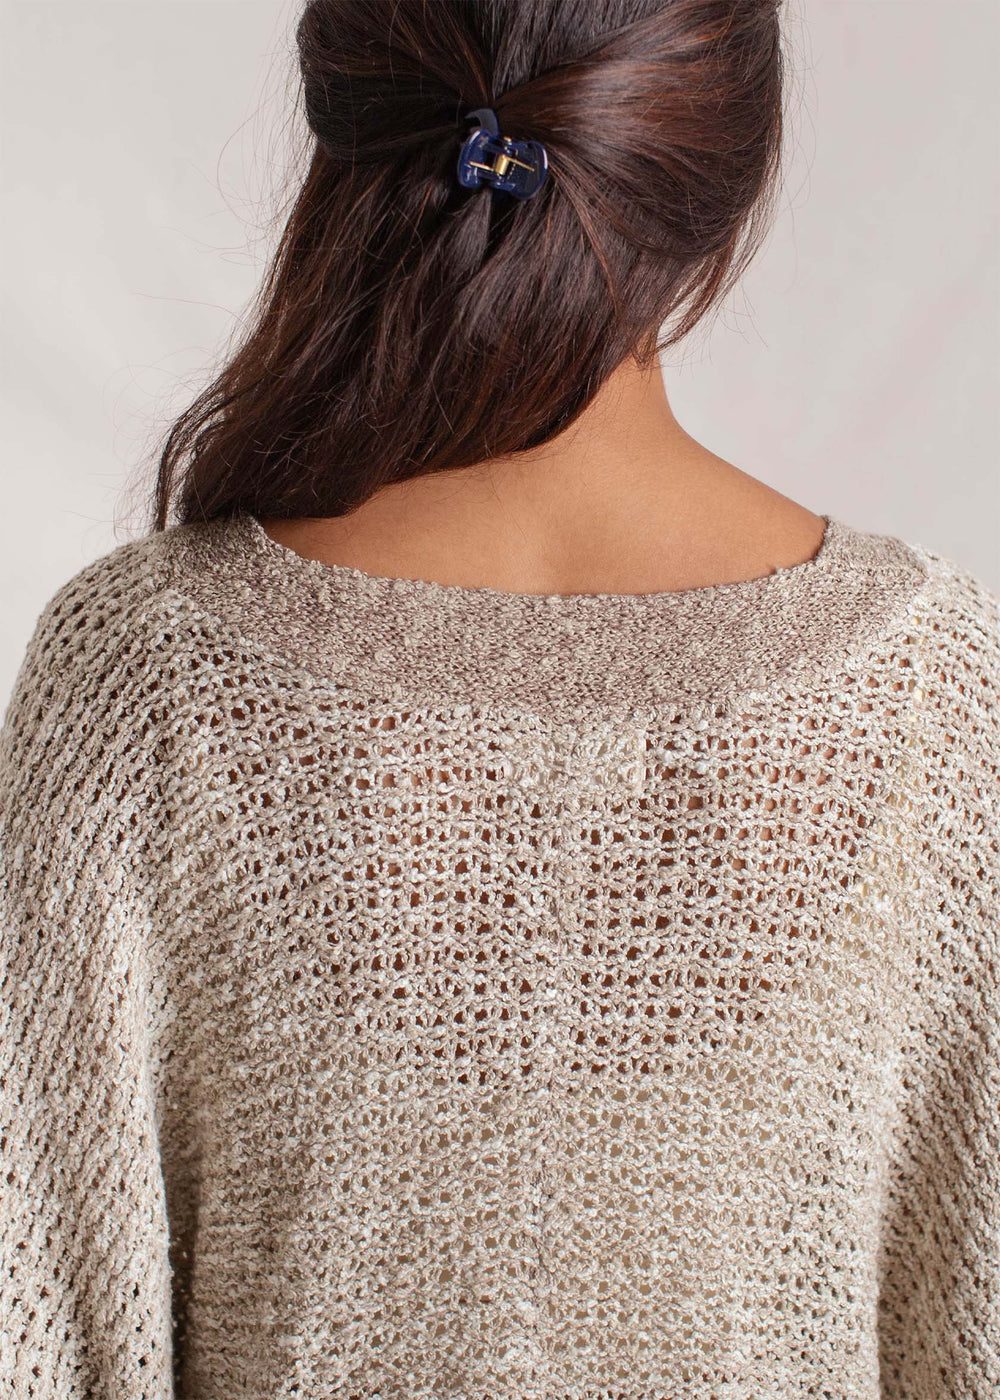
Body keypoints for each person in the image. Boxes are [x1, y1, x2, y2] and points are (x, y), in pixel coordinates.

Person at [1, 3, 997, 1398]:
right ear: (726, 167)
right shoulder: (928, 691)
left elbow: (34, 1325)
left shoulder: (144, 675)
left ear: (352, 117)